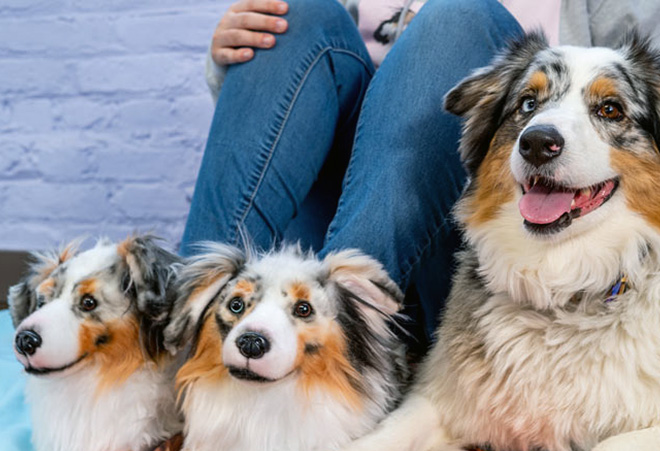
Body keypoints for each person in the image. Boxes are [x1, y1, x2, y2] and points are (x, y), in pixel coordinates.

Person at [178, 0, 660, 344]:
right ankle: (186, 323)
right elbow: (291, 132)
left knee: (458, 16)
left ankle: (338, 339)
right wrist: (228, 57)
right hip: (325, 230)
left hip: (470, 254)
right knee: (296, 14)